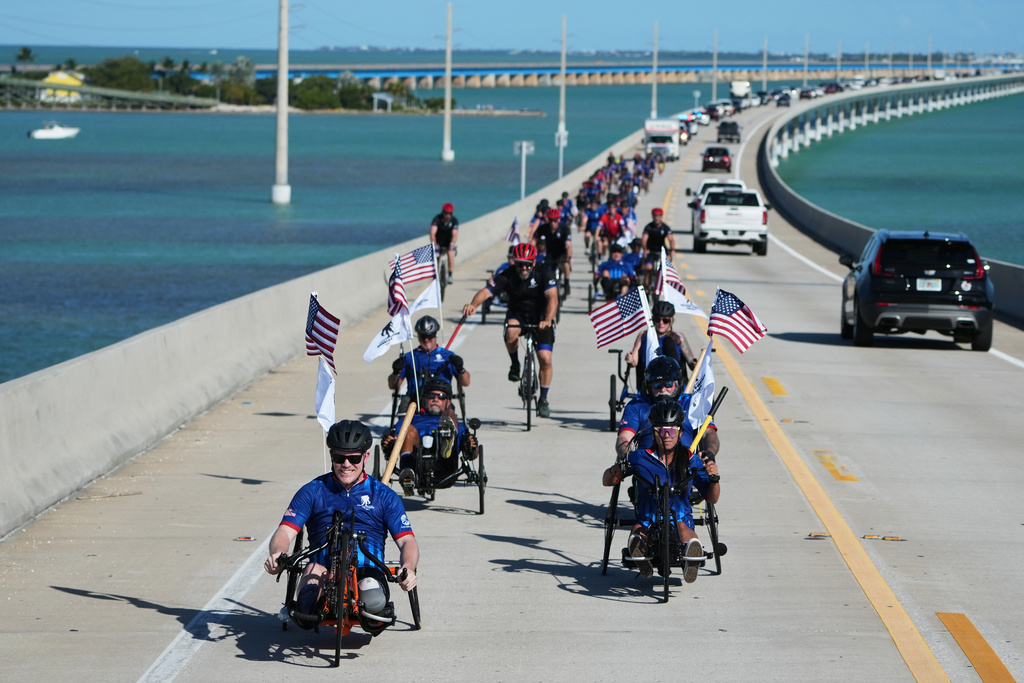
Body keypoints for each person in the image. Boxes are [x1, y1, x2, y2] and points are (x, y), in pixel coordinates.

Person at [264, 420, 419, 629]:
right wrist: (278, 553)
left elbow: (407, 540)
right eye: (339, 458)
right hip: (321, 566)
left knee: (374, 605)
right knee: (305, 610)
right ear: (331, 456)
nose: (346, 464)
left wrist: (408, 568)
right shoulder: (312, 491)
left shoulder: (384, 495)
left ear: (366, 457)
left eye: (353, 458)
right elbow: (285, 531)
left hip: (367, 567)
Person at [603, 400, 720, 581]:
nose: (666, 435)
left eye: (671, 430)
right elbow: (607, 481)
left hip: (680, 518)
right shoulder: (639, 457)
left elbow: (712, 498)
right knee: (640, 530)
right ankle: (640, 551)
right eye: (661, 430)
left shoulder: (691, 460)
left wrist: (713, 479)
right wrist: (614, 472)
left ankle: (691, 552)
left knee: (681, 526)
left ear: (680, 433)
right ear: (653, 432)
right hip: (648, 518)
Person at [462, 242, 558, 418]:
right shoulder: (506, 275)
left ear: (534, 263)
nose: (523, 268)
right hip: (518, 315)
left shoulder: (545, 272)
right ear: (514, 262)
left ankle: (543, 399)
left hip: (541, 318)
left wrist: (548, 319)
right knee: (511, 332)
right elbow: (486, 292)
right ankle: (515, 364)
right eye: (520, 264)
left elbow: (553, 297)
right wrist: (473, 304)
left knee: (545, 358)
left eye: (527, 264)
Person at [381, 378, 479, 496]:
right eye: (431, 395)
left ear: (448, 402)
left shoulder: (457, 422)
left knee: (450, 414)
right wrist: (389, 442)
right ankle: (408, 474)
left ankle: (446, 437)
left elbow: (473, 453)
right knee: (409, 429)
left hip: (445, 465)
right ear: (423, 399)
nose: (436, 399)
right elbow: (393, 443)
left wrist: (472, 445)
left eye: (441, 396)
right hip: (416, 462)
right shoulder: (410, 418)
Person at [615, 356, 719, 459]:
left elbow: (709, 434)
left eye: (668, 384)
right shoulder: (637, 405)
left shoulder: (693, 403)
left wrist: (709, 453)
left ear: (678, 383)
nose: (663, 389)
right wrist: (626, 454)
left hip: (688, 466)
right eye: (657, 385)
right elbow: (624, 437)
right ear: (649, 386)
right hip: (646, 467)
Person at [387, 315, 470, 410]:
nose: (426, 340)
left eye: (430, 336)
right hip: (415, 401)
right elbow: (392, 386)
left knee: (448, 409)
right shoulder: (409, 357)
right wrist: (396, 372)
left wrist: (461, 369)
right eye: (423, 336)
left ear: (436, 335)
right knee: (404, 406)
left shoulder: (448, 356)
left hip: (440, 399)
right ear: (418, 336)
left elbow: (466, 382)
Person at [625, 300, 697, 383]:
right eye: (657, 319)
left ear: (671, 321)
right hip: (650, 383)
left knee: (668, 342)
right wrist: (630, 359)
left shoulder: (678, 337)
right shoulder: (643, 336)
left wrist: (695, 364)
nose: (661, 323)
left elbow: (691, 362)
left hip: (674, 383)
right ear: (653, 320)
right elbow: (634, 362)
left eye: (665, 320)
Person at [533, 207, 573, 295]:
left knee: (566, 263)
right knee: (545, 269)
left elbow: (569, 245)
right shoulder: (543, 228)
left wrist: (569, 257)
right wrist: (532, 251)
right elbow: (534, 240)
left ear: (559, 219)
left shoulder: (564, 228)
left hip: (562, 252)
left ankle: (567, 282)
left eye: (555, 220)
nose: (552, 223)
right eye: (551, 220)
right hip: (550, 253)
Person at [641, 207, 675, 290]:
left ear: (662, 217)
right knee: (648, 268)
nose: (657, 218)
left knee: (668, 263)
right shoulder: (649, 227)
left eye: (659, 216)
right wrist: (645, 249)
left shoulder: (665, 227)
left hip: (662, 250)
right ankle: (646, 289)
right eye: (655, 216)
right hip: (651, 250)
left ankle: (664, 283)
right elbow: (644, 239)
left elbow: (671, 239)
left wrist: (672, 250)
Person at [430, 202, 459, 285]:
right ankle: (435, 275)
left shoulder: (454, 221)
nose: (448, 215)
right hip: (438, 242)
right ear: (443, 212)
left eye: (450, 213)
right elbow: (432, 233)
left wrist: (452, 243)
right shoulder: (437, 219)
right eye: (446, 213)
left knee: (450, 253)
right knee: (436, 256)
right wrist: (434, 243)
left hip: (448, 242)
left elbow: (455, 234)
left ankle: (450, 274)